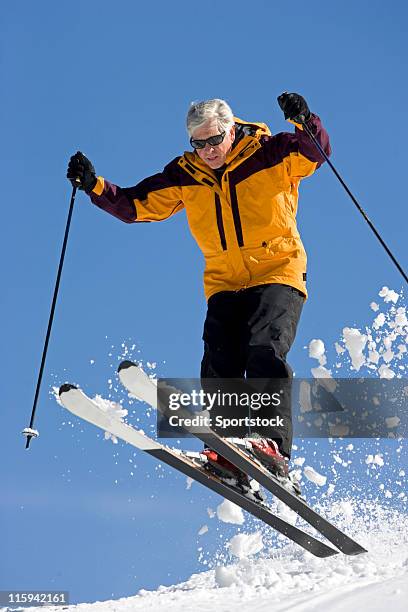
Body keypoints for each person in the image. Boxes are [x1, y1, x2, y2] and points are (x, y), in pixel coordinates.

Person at [67, 93, 331, 491]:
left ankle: (271, 448)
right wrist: (94, 185)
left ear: (230, 129)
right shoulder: (186, 173)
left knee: (264, 350)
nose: (207, 151)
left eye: (213, 140)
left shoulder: (269, 152)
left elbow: (315, 152)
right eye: (198, 143)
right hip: (224, 281)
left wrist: (304, 119)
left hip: (278, 270)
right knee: (219, 361)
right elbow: (136, 205)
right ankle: (230, 453)